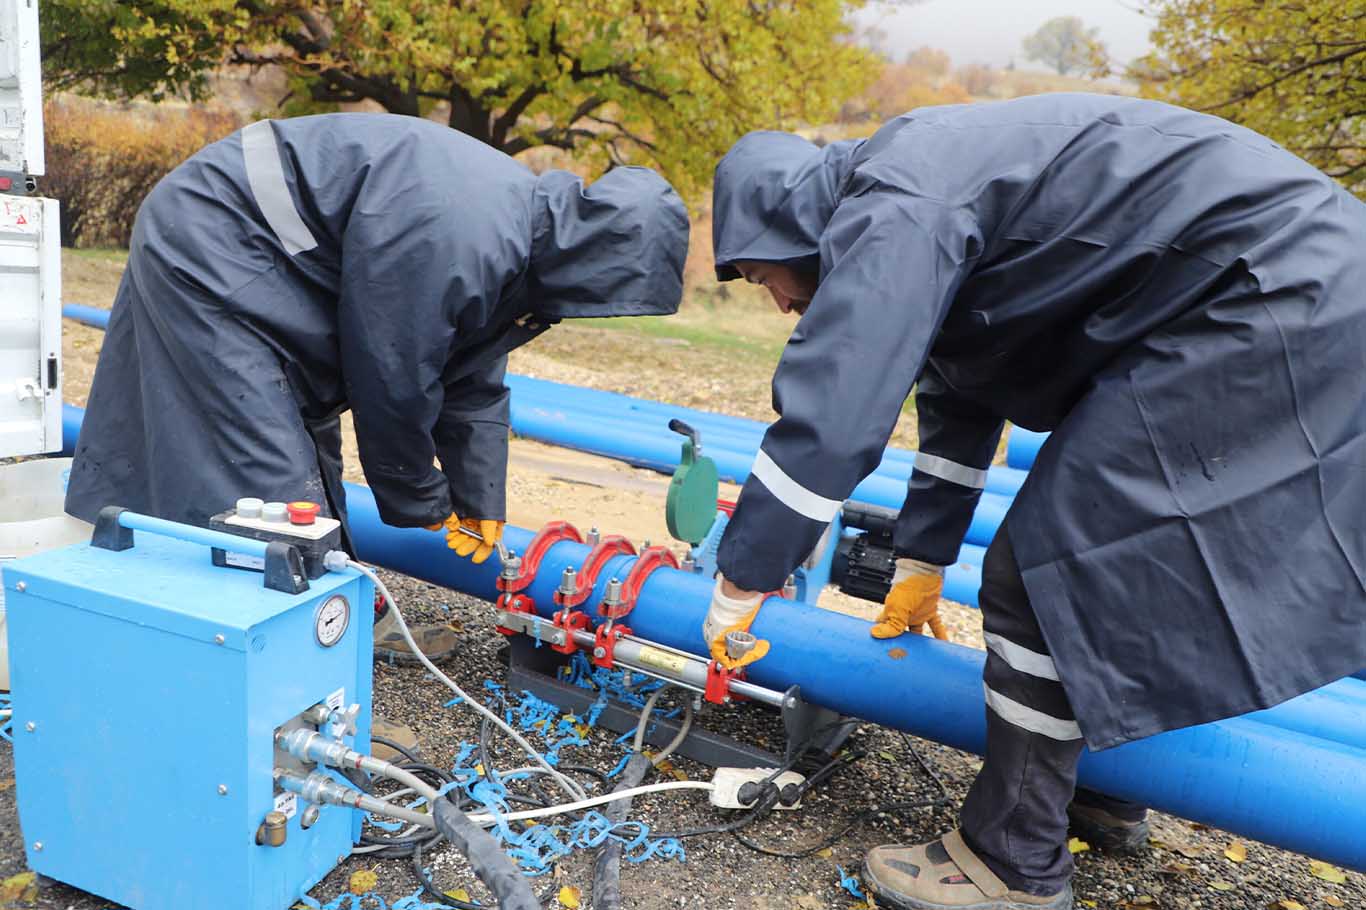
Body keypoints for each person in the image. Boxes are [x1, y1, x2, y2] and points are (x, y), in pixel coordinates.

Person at [699, 94, 1366, 910]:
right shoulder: (918, 191)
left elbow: (833, 419)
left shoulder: (898, 203)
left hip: (1267, 299)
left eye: (766, 277)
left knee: (1047, 565)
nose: (777, 304)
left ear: (786, 227)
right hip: (1301, 289)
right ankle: (1104, 788)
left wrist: (740, 583)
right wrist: (922, 557)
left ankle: (1010, 862)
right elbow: (959, 392)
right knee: (1139, 565)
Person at [64, 113, 688, 755]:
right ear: (596, 261)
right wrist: (422, 500)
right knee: (270, 491)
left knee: (305, 461)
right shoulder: (465, 231)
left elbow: (470, 378)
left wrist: (480, 505)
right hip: (220, 246)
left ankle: (346, 616)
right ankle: (306, 720)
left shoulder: (520, 240)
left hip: (276, 264)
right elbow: (392, 375)